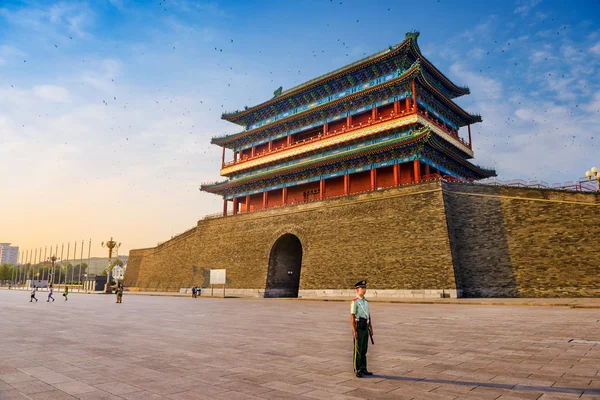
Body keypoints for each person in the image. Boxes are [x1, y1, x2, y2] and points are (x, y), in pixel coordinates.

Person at [351, 280, 374, 378]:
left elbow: (368, 315)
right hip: (358, 326)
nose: (364, 290)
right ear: (357, 290)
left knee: (364, 349)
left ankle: (364, 368)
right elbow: (352, 316)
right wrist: (354, 330)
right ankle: (358, 369)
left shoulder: (366, 301)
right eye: (362, 288)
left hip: (365, 326)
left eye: (365, 288)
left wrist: (371, 327)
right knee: (358, 349)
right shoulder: (355, 302)